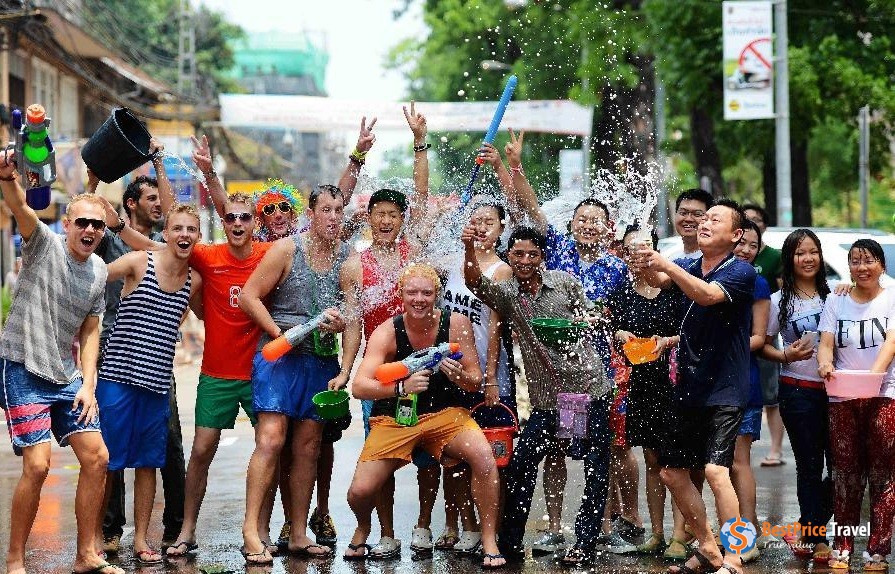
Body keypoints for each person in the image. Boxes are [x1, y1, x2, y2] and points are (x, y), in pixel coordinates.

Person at [497, 130, 634, 553]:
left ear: (607, 228)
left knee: (597, 453)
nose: (587, 224)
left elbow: (619, 316)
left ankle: (597, 532)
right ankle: (553, 528)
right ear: (571, 225)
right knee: (550, 450)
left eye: (596, 220)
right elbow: (532, 211)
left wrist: (599, 320)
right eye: (581, 219)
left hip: (590, 374)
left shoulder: (616, 266)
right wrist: (515, 168)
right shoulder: (554, 253)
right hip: (547, 378)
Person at [464, 224, 612, 565]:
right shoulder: (506, 294)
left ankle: (584, 545)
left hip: (586, 390)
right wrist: (469, 249)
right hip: (548, 401)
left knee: (593, 467)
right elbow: (474, 283)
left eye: (533, 254)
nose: (526, 260)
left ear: (542, 256)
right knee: (522, 465)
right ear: (509, 256)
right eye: (518, 254)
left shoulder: (563, 282)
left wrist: (587, 320)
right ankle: (510, 543)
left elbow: (589, 314)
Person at [343, 263, 504, 568]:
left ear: (437, 295)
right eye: (412, 292)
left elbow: (475, 380)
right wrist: (400, 387)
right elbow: (360, 387)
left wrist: (458, 376)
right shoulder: (388, 330)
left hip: (446, 414)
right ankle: (363, 526)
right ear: (400, 295)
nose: (419, 299)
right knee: (359, 491)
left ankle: (489, 540)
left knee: (484, 457)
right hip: (395, 419)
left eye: (426, 293)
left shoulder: (455, 323)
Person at [0, 169, 119, 574]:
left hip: (65, 374)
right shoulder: (45, 245)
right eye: (81, 222)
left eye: (97, 224)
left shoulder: (100, 270)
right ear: (67, 224)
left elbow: (90, 331)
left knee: (98, 456)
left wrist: (89, 384)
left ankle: (86, 554)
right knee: (37, 465)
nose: (88, 229)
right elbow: (19, 206)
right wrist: (7, 179)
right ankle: (15, 559)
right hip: (22, 364)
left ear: (103, 230)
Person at [634, 198, 755, 574]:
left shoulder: (740, 271)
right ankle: (706, 544)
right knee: (671, 471)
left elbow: (706, 295)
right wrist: (643, 260)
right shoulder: (688, 264)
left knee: (717, 471)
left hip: (725, 389)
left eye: (714, 219)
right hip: (688, 386)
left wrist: (666, 263)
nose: (704, 223)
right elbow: (658, 281)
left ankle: (734, 555)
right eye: (704, 218)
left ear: (736, 235)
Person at [338, 102, 436, 558]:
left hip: (420, 367)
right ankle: (384, 532)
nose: (385, 219)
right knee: (380, 457)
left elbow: (421, 195)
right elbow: (354, 323)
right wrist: (345, 369)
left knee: (427, 454)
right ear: (369, 216)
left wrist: (419, 143)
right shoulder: (356, 265)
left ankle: (422, 527)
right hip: (379, 374)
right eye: (378, 212)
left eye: (393, 214)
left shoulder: (413, 251)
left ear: (400, 220)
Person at [237, 184, 350, 564]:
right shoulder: (288, 248)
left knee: (308, 448)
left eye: (339, 209)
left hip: (319, 361)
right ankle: (251, 530)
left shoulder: (348, 259)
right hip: (279, 357)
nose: (333, 217)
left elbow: (354, 320)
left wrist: (346, 370)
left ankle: (299, 532)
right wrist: (278, 334)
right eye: (326, 210)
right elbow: (248, 296)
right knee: (271, 440)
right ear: (311, 214)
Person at [163, 188, 274, 556]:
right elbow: (174, 223)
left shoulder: (270, 254)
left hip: (262, 373)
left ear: (255, 223)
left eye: (245, 217)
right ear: (223, 223)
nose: (238, 223)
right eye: (231, 217)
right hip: (217, 374)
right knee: (201, 450)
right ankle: (187, 529)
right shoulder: (208, 256)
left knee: (270, 449)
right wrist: (161, 166)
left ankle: (259, 529)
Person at [91, 149, 188, 554]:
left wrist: (161, 165)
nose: (156, 206)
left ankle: (169, 530)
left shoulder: (175, 255)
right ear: (131, 203)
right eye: (147, 199)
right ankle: (105, 532)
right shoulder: (115, 243)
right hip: (115, 354)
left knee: (164, 448)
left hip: (155, 367)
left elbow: (172, 224)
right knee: (106, 454)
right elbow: (85, 276)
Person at [436, 198, 515, 553]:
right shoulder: (452, 264)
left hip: (487, 375)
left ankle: (489, 529)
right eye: (476, 220)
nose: (482, 227)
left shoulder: (501, 271)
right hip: (452, 370)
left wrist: (492, 377)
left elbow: (497, 327)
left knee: (491, 454)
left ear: (501, 229)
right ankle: (460, 524)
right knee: (453, 455)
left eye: (490, 222)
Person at [817, 239, 895, 572]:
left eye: (868, 261)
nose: (861, 268)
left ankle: (878, 549)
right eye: (855, 261)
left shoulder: (892, 297)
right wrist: (824, 364)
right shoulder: (837, 300)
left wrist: (871, 381)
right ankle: (843, 545)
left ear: (881, 265)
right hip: (842, 396)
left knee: (883, 473)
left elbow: (891, 343)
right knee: (845, 473)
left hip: (883, 394)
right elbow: (826, 343)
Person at [606, 226, 680, 556]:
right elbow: (610, 328)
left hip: (674, 382)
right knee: (651, 460)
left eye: (645, 247)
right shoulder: (621, 293)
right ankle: (657, 533)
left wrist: (667, 342)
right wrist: (620, 332)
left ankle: (680, 534)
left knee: (676, 462)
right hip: (641, 385)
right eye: (632, 250)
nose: (640, 255)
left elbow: (690, 331)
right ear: (624, 255)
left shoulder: (674, 288)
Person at [761, 229, 832, 563]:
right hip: (798, 392)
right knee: (809, 466)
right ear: (790, 259)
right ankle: (817, 538)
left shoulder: (837, 296)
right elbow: (762, 345)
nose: (808, 258)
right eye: (800, 252)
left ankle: (808, 524)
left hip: (838, 395)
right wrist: (786, 355)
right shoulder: (777, 302)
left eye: (813, 251)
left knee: (844, 468)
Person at [729, 219, 771, 563]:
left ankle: (748, 531)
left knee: (737, 461)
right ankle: (739, 530)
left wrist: (724, 347)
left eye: (752, 245)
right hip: (710, 384)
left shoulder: (757, 283)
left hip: (743, 381)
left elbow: (760, 337)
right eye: (741, 242)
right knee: (717, 464)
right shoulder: (709, 276)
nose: (745, 249)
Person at [742, 204, 787, 469]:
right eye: (746, 220)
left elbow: (783, 293)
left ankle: (775, 449)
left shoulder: (773, 257)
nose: (751, 223)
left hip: (765, 333)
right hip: (740, 340)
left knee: (771, 396)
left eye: (756, 220)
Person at [674, 189, 714, 259]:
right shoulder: (671, 259)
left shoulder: (716, 260)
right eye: (683, 213)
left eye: (697, 214)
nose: (688, 219)